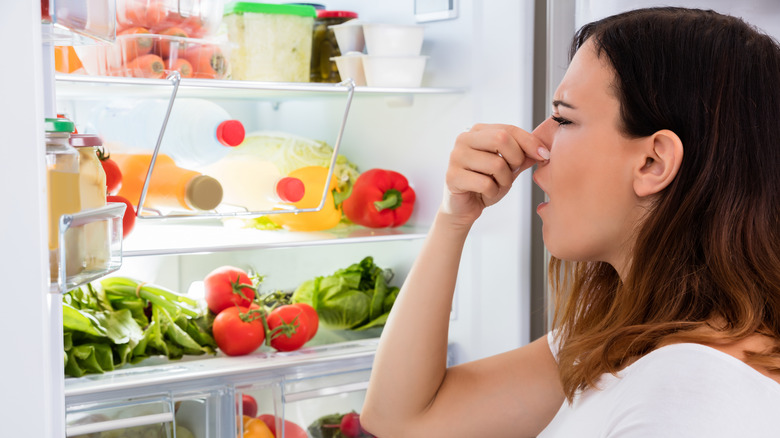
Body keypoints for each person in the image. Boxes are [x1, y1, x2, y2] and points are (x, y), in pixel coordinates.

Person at [360, 7, 780, 437]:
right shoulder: (627, 337)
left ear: (653, 162)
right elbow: (401, 419)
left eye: (563, 118)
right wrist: (453, 218)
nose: (534, 144)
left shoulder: (686, 395)